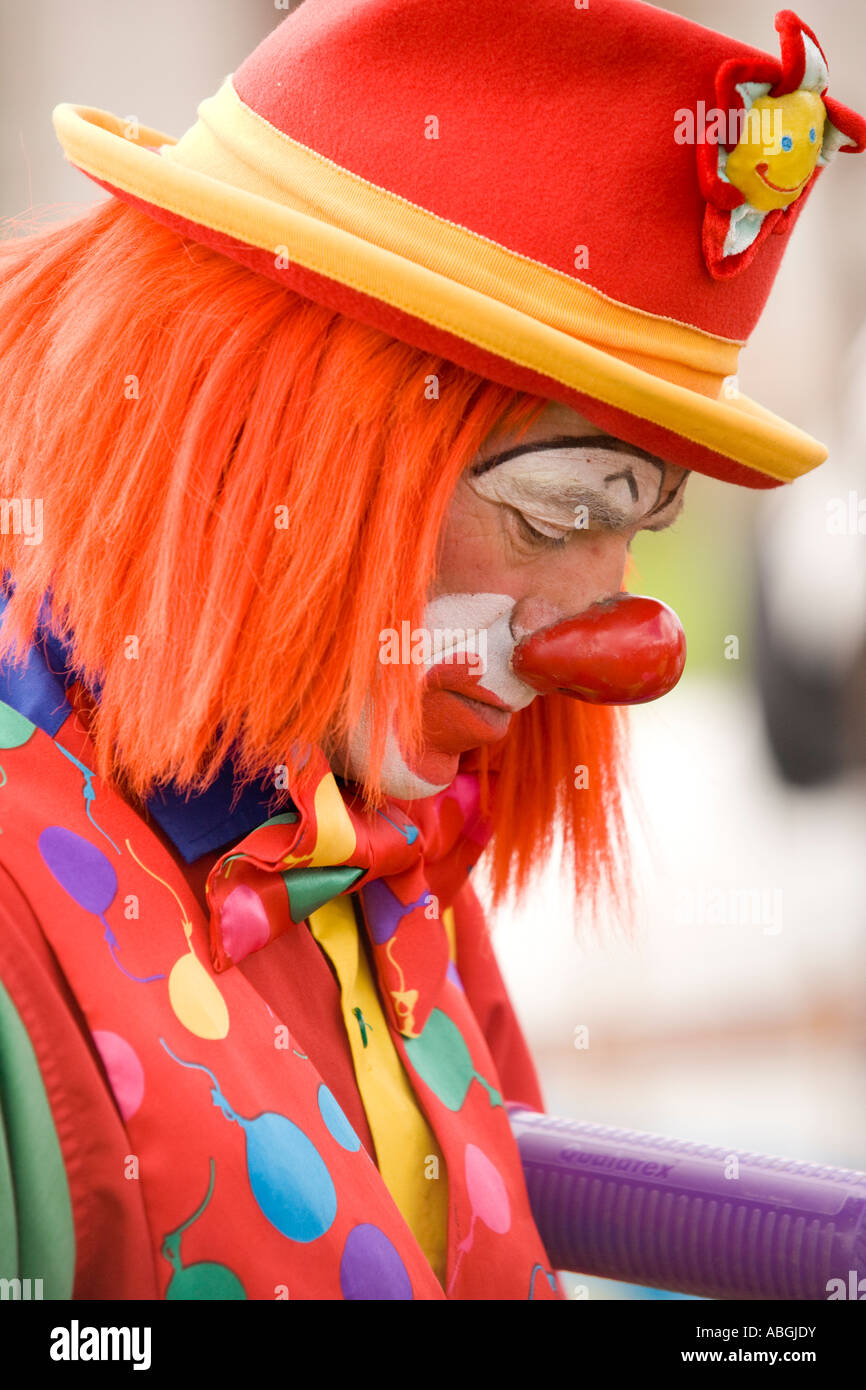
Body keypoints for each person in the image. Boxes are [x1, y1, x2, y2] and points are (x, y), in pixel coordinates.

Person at [0, 0, 861, 1301]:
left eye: (638, 524)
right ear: (273, 433)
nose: (608, 633)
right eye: (562, 507)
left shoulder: (386, 843)